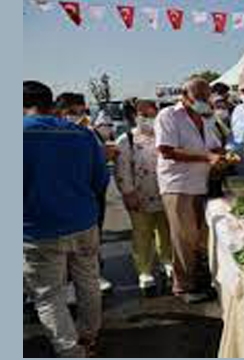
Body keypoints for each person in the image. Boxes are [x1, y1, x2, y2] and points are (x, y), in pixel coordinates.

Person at [24, 81, 109, 356]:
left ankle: (72, 352)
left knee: (49, 295)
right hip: (84, 222)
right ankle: (89, 337)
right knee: (89, 282)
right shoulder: (82, 134)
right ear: (50, 103)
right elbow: (100, 179)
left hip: (38, 229)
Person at [155, 77, 230, 304]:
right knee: (183, 237)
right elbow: (166, 150)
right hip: (177, 185)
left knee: (197, 236)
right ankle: (183, 286)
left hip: (200, 183)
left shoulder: (204, 118)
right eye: (199, 97)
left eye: (206, 97)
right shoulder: (168, 116)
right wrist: (207, 157)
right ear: (184, 96)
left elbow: (214, 145)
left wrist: (225, 153)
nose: (204, 101)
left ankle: (197, 280)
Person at [56, 93, 115, 294]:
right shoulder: (53, 136)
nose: (79, 117)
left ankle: (94, 275)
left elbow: (100, 172)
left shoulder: (91, 134)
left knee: (92, 240)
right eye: (73, 112)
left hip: (91, 198)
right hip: (63, 199)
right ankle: (67, 282)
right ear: (59, 112)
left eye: (82, 112)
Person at [115, 99, 173, 293]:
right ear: (135, 116)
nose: (149, 119)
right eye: (144, 115)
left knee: (166, 231)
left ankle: (167, 261)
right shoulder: (126, 140)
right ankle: (145, 271)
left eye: (152, 115)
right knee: (142, 234)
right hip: (139, 196)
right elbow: (122, 170)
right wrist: (128, 193)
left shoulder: (165, 137)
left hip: (165, 194)